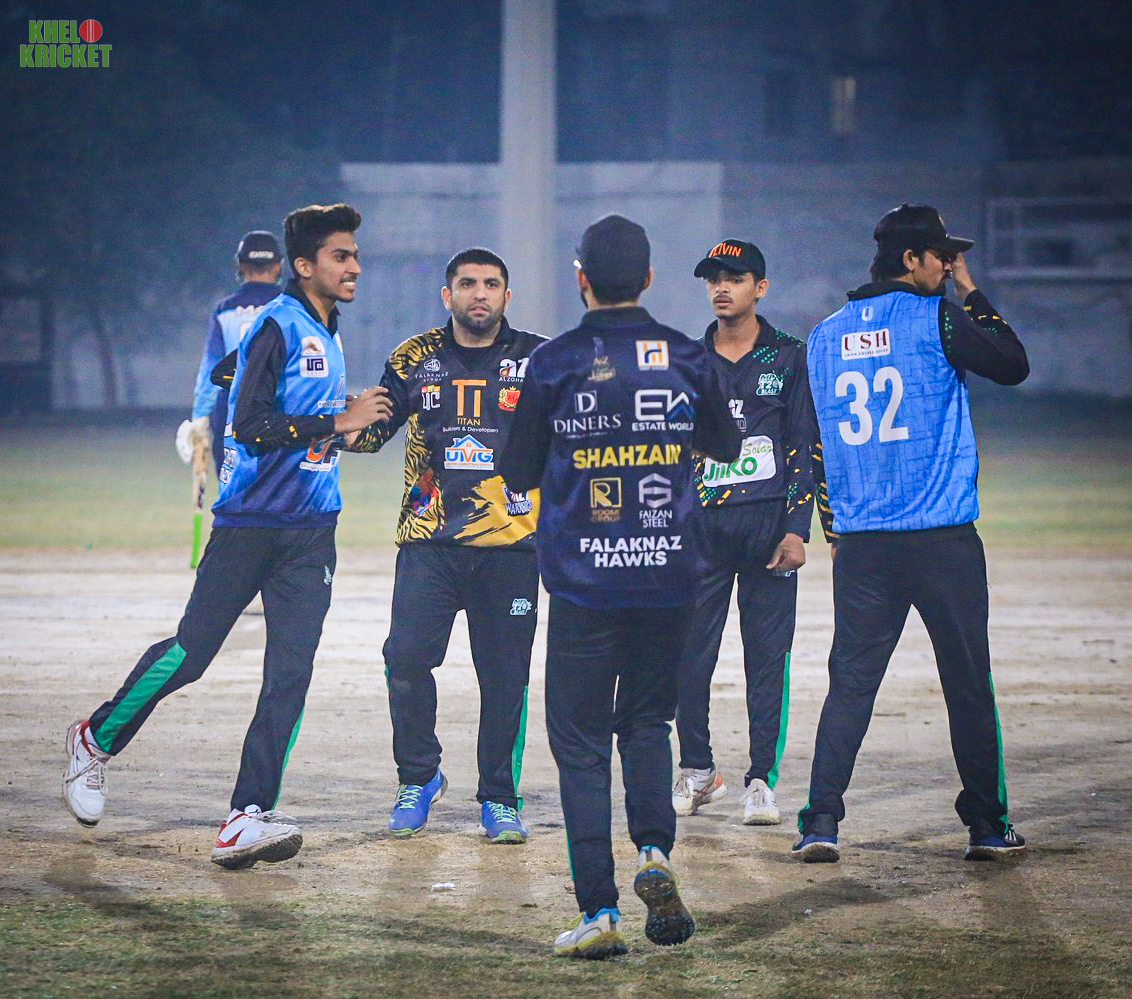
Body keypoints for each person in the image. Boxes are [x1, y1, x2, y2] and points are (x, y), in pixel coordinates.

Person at [63, 204, 390, 869]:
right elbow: (249, 425)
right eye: (341, 255)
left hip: (312, 532)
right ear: (304, 266)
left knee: (290, 673)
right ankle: (94, 738)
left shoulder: (327, 327)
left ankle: (247, 815)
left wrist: (344, 429)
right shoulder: (277, 323)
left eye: (355, 254)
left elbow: (232, 379)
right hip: (248, 526)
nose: (355, 265)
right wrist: (335, 418)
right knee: (191, 653)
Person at [501, 214, 741, 958]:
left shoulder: (553, 361)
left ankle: (599, 911)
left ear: (580, 279)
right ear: (648, 278)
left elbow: (515, 470)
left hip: (583, 582)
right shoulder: (687, 355)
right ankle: (654, 851)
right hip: (669, 576)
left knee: (578, 745)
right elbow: (727, 444)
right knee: (646, 723)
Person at [795, 203, 1030, 864]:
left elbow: (814, 443)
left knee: (850, 684)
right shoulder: (940, 316)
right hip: (941, 539)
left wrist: (834, 528)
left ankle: (820, 820)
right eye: (942, 256)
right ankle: (986, 825)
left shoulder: (824, 336)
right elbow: (1013, 364)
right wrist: (973, 293)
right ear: (911, 259)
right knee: (967, 682)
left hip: (862, 544)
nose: (948, 267)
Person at [348, 248, 545, 844]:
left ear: (507, 296)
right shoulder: (413, 358)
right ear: (447, 295)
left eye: (491, 284)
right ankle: (418, 778)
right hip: (428, 540)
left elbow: (571, 441)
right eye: (467, 284)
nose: (479, 294)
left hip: (512, 544)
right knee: (406, 658)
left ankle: (499, 798)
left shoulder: (539, 359)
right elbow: (371, 436)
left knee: (505, 678)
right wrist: (335, 422)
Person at [673, 239, 818, 826]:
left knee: (766, 660)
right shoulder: (687, 359)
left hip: (768, 533)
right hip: (700, 533)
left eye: (734, 278)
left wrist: (797, 529)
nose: (721, 288)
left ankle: (761, 780)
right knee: (688, 656)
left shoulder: (789, 356)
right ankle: (697, 769)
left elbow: (803, 446)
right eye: (713, 278)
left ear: (760, 287)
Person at [177, 231, 284, 475]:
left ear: (240, 265)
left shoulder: (225, 310)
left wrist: (200, 418)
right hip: (281, 412)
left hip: (231, 412)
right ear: (278, 265)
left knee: (234, 490)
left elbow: (210, 369)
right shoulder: (294, 308)